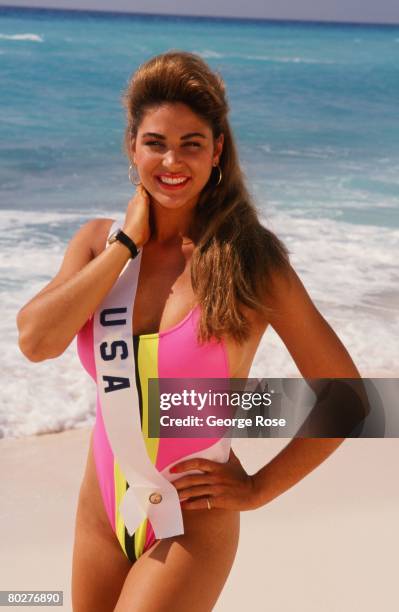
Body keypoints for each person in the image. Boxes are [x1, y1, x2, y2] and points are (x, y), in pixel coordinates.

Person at [17, 50, 360, 612]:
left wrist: (257, 489)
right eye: (156, 142)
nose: (172, 160)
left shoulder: (251, 261)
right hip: (100, 514)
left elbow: (348, 399)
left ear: (217, 149)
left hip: (191, 525)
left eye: (192, 143)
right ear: (133, 145)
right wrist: (124, 246)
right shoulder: (97, 243)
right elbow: (35, 341)